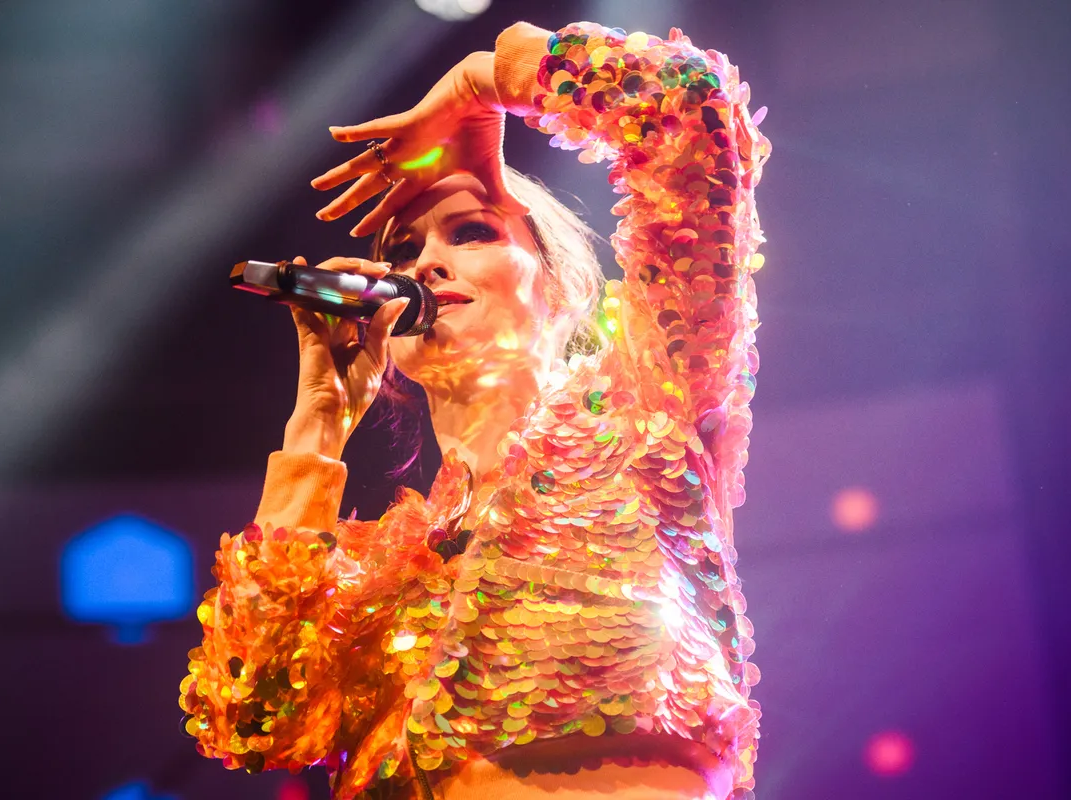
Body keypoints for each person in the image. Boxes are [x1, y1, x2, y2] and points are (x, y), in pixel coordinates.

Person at [180, 20, 770, 800]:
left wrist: (483, 82)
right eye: (401, 252)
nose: (424, 263)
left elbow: (690, 110)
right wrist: (316, 427)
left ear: (559, 287)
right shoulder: (383, 576)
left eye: (471, 232)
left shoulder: (642, 419)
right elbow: (251, 717)